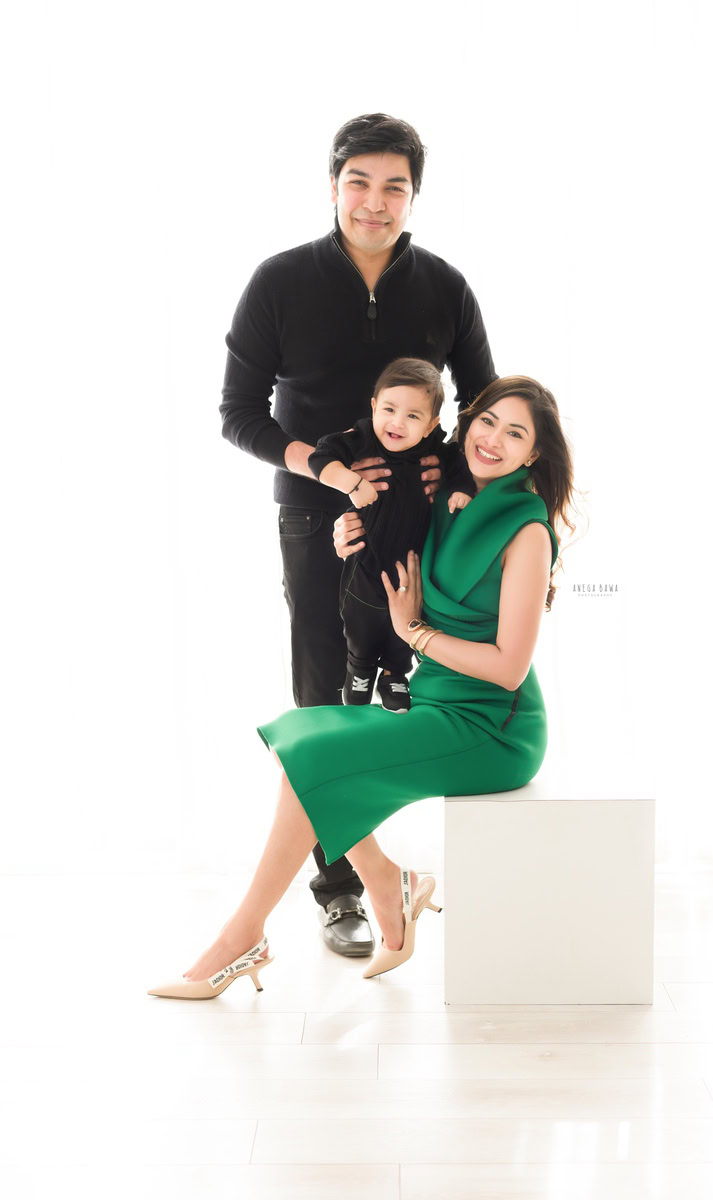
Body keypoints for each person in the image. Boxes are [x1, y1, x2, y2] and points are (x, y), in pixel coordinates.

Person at [147, 376, 576, 999]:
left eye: (516, 434)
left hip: (493, 726)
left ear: (534, 455)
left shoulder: (527, 531)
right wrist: (352, 538)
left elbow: (509, 667)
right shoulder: (444, 496)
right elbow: (388, 551)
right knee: (301, 734)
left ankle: (245, 936)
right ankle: (381, 879)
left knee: (312, 754)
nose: (493, 440)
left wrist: (414, 632)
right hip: (435, 701)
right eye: (488, 422)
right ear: (467, 422)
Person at [219, 113, 497, 955]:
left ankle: (416, 876)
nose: (375, 203)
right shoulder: (279, 281)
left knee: (415, 687)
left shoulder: (444, 285)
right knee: (321, 698)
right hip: (315, 516)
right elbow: (238, 416)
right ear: (333, 184)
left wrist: (447, 480)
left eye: (395, 188)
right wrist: (333, 475)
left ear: (415, 196)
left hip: (423, 524)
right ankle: (347, 882)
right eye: (359, 183)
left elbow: (485, 406)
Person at [309, 356, 475, 713]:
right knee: (361, 622)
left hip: (412, 563)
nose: (397, 422)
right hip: (367, 561)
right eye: (389, 409)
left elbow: (459, 465)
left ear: (431, 425)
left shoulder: (434, 451)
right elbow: (321, 456)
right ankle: (360, 666)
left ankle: (395, 673)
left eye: (413, 416)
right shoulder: (362, 439)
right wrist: (350, 482)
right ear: (373, 407)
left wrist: (461, 488)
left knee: (407, 621)